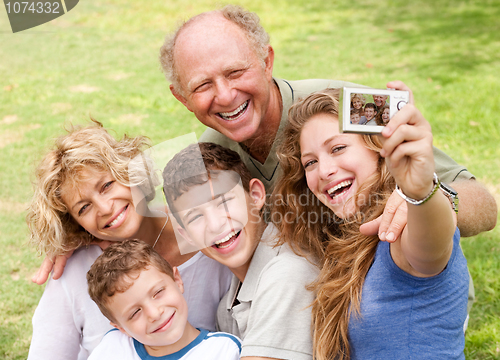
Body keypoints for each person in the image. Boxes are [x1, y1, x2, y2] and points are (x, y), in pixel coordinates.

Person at [158, 4, 497, 241]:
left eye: (236, 72)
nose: (226, 95)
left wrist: (424, 201)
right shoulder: (207, 158)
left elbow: (483, 204)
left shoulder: (348, 105)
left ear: (267, 62)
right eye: (202, 85)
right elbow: (170, 235)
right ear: (182, 98)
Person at [8, 121, 232, 360]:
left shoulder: (207, 241)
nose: (104, 208)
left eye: (106, 186)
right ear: (76, 225)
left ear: (131, 173)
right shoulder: (76, 268)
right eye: (83, 208)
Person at [272, 88, 469, 360]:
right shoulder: (344, 241)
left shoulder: (400, 232)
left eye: (337, 148)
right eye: (310, 162)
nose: (323, 170)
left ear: (378, 149)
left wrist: (420, 192)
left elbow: (431, 247)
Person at [162, 142, 321, 360]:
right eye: (195, 217)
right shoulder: (226, 307)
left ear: (256, 195)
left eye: (224, 202)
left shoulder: (288, 273)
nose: (215, 225)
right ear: (186, 235)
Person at [83, 239, 241, 360]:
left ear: (177, 281)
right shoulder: (112, 350)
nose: (154, 314)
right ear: (121, 328)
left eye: (158, 292)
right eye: (135, 312)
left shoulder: (225, 352)